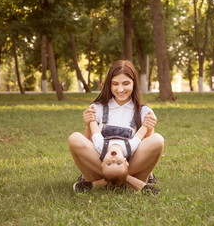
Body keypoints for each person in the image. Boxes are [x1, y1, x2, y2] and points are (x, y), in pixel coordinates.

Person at [68, 60, 164, 193]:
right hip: (102, 164)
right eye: (115, 84)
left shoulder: (144, 111)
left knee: (157, 140)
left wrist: (149, 127)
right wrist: (89, 125)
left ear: (134, 83)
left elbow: (150, 146)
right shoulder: (97, 108)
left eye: (126, 83)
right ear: (109, 84)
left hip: (131, 164)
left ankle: (100, 184)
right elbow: (88, 143)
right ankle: (131, 183)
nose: (120, 89)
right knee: (75, 138)